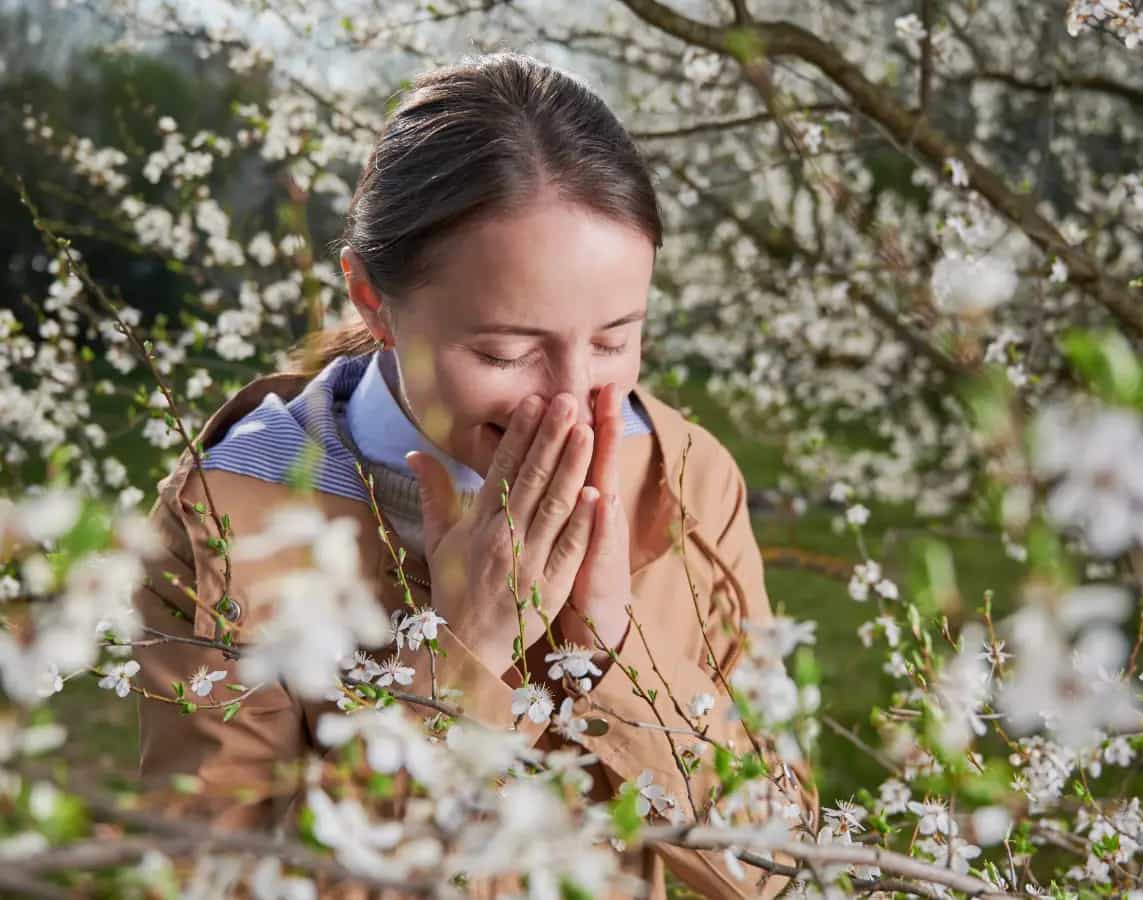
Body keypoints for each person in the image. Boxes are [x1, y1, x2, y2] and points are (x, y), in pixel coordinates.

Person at [133, 51, 816, 898]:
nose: (569, 398)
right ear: (372, 299)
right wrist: (464, 656)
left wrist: (614, 647)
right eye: (504, 352)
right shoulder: (232, 519)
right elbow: (214, 880)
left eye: (613, 340)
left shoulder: (686, 478)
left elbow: (785, 865)